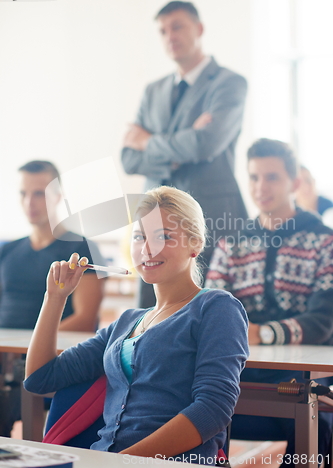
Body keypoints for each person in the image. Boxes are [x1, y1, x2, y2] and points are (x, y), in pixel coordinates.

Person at [24, 186, 249, 464]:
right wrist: (54, 298)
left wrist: (120, 461)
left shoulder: (216, 307)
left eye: (164, 236)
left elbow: (212, 410)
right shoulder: (126, 322)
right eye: (139, 237)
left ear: (195, 244)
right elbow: (39, 378)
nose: (147, 248)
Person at [205, 138, 333, 464]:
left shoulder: (324, 241)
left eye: (272, 177)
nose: (261, 187)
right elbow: (211, 310)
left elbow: (323, 319)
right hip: (239, 370)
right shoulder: (231, 243)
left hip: (303, 375)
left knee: (322, 417)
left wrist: (263, 332)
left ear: (295, 182)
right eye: (254, 177)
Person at [121, 0, 248, 308]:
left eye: (177, 26)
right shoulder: (153, 90)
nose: (170, 36)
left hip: (212, 216)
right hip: (152, 216)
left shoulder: (229, 83)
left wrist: (148, 141)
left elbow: (206, 143)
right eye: (163, 30)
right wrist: (181, 145)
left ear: (199, 29)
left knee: (215, 312)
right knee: (150, 314)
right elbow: (129, 159)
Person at [0, 160, 105, 436]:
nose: (29, 202)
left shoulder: (81, 249)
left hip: (39, 355)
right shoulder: (7, 251)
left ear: (58, 196)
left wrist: (26, 345)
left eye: (39, 193)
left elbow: (84, 319)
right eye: (23, 193)